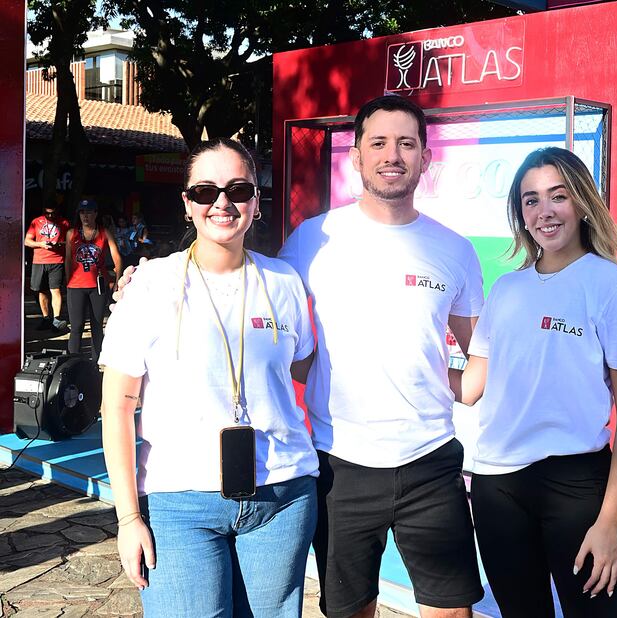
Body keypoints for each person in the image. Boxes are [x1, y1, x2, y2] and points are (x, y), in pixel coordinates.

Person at [279, 95, 484, 618]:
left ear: (425, 159)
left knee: (452, 613)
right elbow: (265, 321)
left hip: (431, 461)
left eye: (406, 143)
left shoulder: (455, 250)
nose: (392, 154)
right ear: (357, 157)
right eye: (379, 142)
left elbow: (480, 347)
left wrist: (458, 382)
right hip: (339, 464)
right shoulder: (312, 240)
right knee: (350, 612)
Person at [100, 138, 318, 617]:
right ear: (187, 204)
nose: (222, 202)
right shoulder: (150, 285)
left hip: (281, 496)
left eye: (238, 189)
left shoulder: (285, 282)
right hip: (180, 504)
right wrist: (129, 518)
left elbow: (301, 367)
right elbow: (116, 407)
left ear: (256, 203)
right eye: (205, 191)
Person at [452, 147, 617, 618]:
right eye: (530, 200)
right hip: (496, 487)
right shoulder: (506, 289)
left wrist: (608, 521)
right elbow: (471, 386)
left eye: (557, 196)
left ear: (581, 202)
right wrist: (404, 355)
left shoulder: (613, 287)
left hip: (577, 488)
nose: (544, 211)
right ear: (520, 213)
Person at [65, 199, 122, 360]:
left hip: (98, 286)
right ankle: (73, 362)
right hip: (76, 286)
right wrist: (68, 281)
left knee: (97, 325)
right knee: (76, 326)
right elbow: (68, 260)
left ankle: (96, 362)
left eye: (89, 212)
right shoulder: (72, 233)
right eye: (82, 213)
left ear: (96, 214)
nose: (85, 216)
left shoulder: (104, 233)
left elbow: (116, 257)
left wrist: (117, 280)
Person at [25, 204, 69, 331]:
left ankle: (57, 319)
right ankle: (46, 318)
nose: (50, 216)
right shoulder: (36, 222)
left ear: (57, 212)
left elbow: (71, 241)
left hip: (57, 260)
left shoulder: (64, 222)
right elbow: (27, 241)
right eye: (47, 213)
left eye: (53, 213)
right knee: (41, 290)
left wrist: (59, 244)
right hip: (39, 261)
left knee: (55, 290)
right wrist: (41, 244)